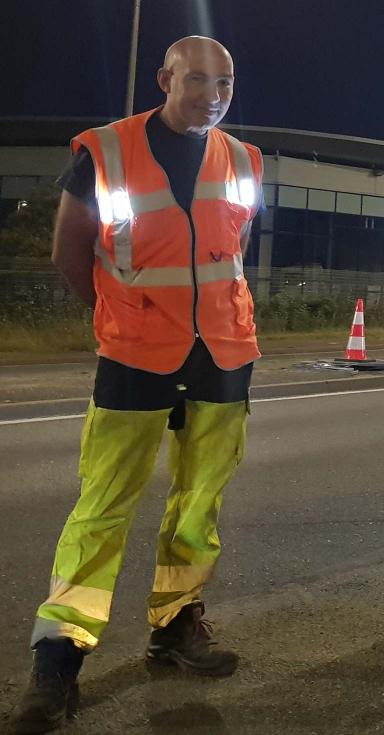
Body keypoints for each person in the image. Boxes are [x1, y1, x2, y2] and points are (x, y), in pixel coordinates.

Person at [12, 36, 262, 733]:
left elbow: (230, 246)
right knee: (103, 507)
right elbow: (71, 250)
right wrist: (116, 318)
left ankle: (176, 627)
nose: (213, 94)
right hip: (133, 355)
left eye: (226, 82)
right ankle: (58, 659)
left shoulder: (244, 158)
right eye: (198, 80)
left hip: (222, 351)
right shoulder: (106, 150)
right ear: (164, 78)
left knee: (198, 502)